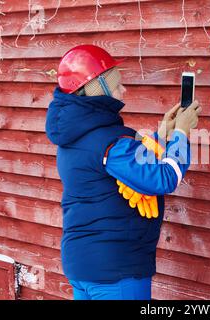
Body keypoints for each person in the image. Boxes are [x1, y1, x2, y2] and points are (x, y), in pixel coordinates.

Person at [45, 45, 201, 300]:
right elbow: (164, 178)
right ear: (97, 88)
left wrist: (162, 134)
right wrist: (182, 134)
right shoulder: (110, 142)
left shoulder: (73, 135)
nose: (123, 91)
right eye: (117, 85)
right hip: (115, 271)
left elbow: (128, 161)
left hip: (82, 264)